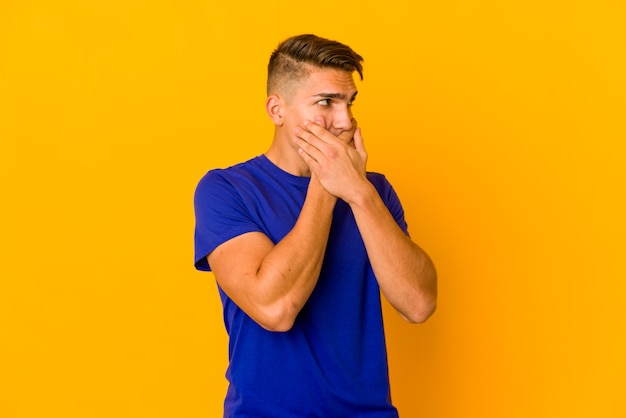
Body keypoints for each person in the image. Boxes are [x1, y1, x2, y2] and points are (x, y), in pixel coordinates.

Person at [194, 34, 437, 417]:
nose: (344, 121)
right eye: (326, 102)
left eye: (349, 103)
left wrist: (359, 194)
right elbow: (275, 308)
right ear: (277, 109)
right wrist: (327, 183)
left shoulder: (374, 192)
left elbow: (419, 304)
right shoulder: (226, 190)